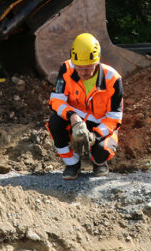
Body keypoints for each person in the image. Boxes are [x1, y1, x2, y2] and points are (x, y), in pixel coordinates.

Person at [47, 32, 124, 180]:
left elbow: (114, 119)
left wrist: (94, 136)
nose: (83, 72)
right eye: (79, 68)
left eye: (88, 68)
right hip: (76, 120)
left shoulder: (113, 79)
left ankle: (99, 163)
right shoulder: (66, 69)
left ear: (97, 61)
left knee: (102, 151)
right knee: (55, 123)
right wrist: (73, 117)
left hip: (101, 125)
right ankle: (72, 164)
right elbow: (56, 100)